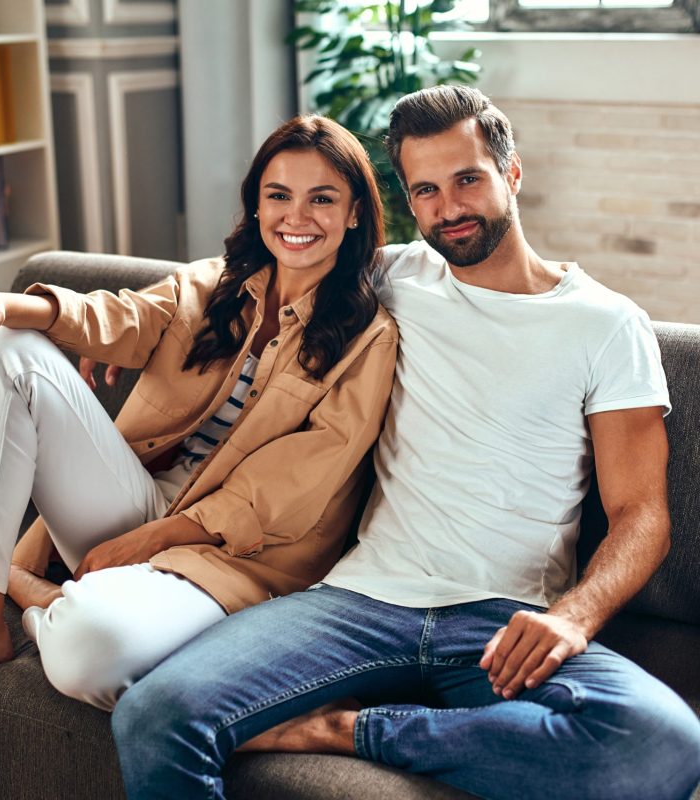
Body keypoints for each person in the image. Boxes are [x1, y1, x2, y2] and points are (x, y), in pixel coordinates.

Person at [109, 86, 700, 800]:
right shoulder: (386, 278)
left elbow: (642, 517)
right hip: (356, 602)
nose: (448, 207)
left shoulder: (606, 325)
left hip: (497, 620)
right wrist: (123, 336)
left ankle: (350, 730)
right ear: (406, 200)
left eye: (467, 179)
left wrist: (571, 617)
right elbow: (247, 282)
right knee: (153, 715)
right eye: (425, 190)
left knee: (661, 742)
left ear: (512, 173)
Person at [0, 115, 398, 717]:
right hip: (137, 499)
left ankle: (26, 588)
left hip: (234, 559)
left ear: (353, 213)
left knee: (88, 656)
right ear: (256, 206)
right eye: (278, 196)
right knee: (1, 344)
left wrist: (148, 540)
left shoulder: (369, 339)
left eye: (322, 199)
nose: (297, 217)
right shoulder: (217, 284)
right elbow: (122, 317)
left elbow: (287, 491)